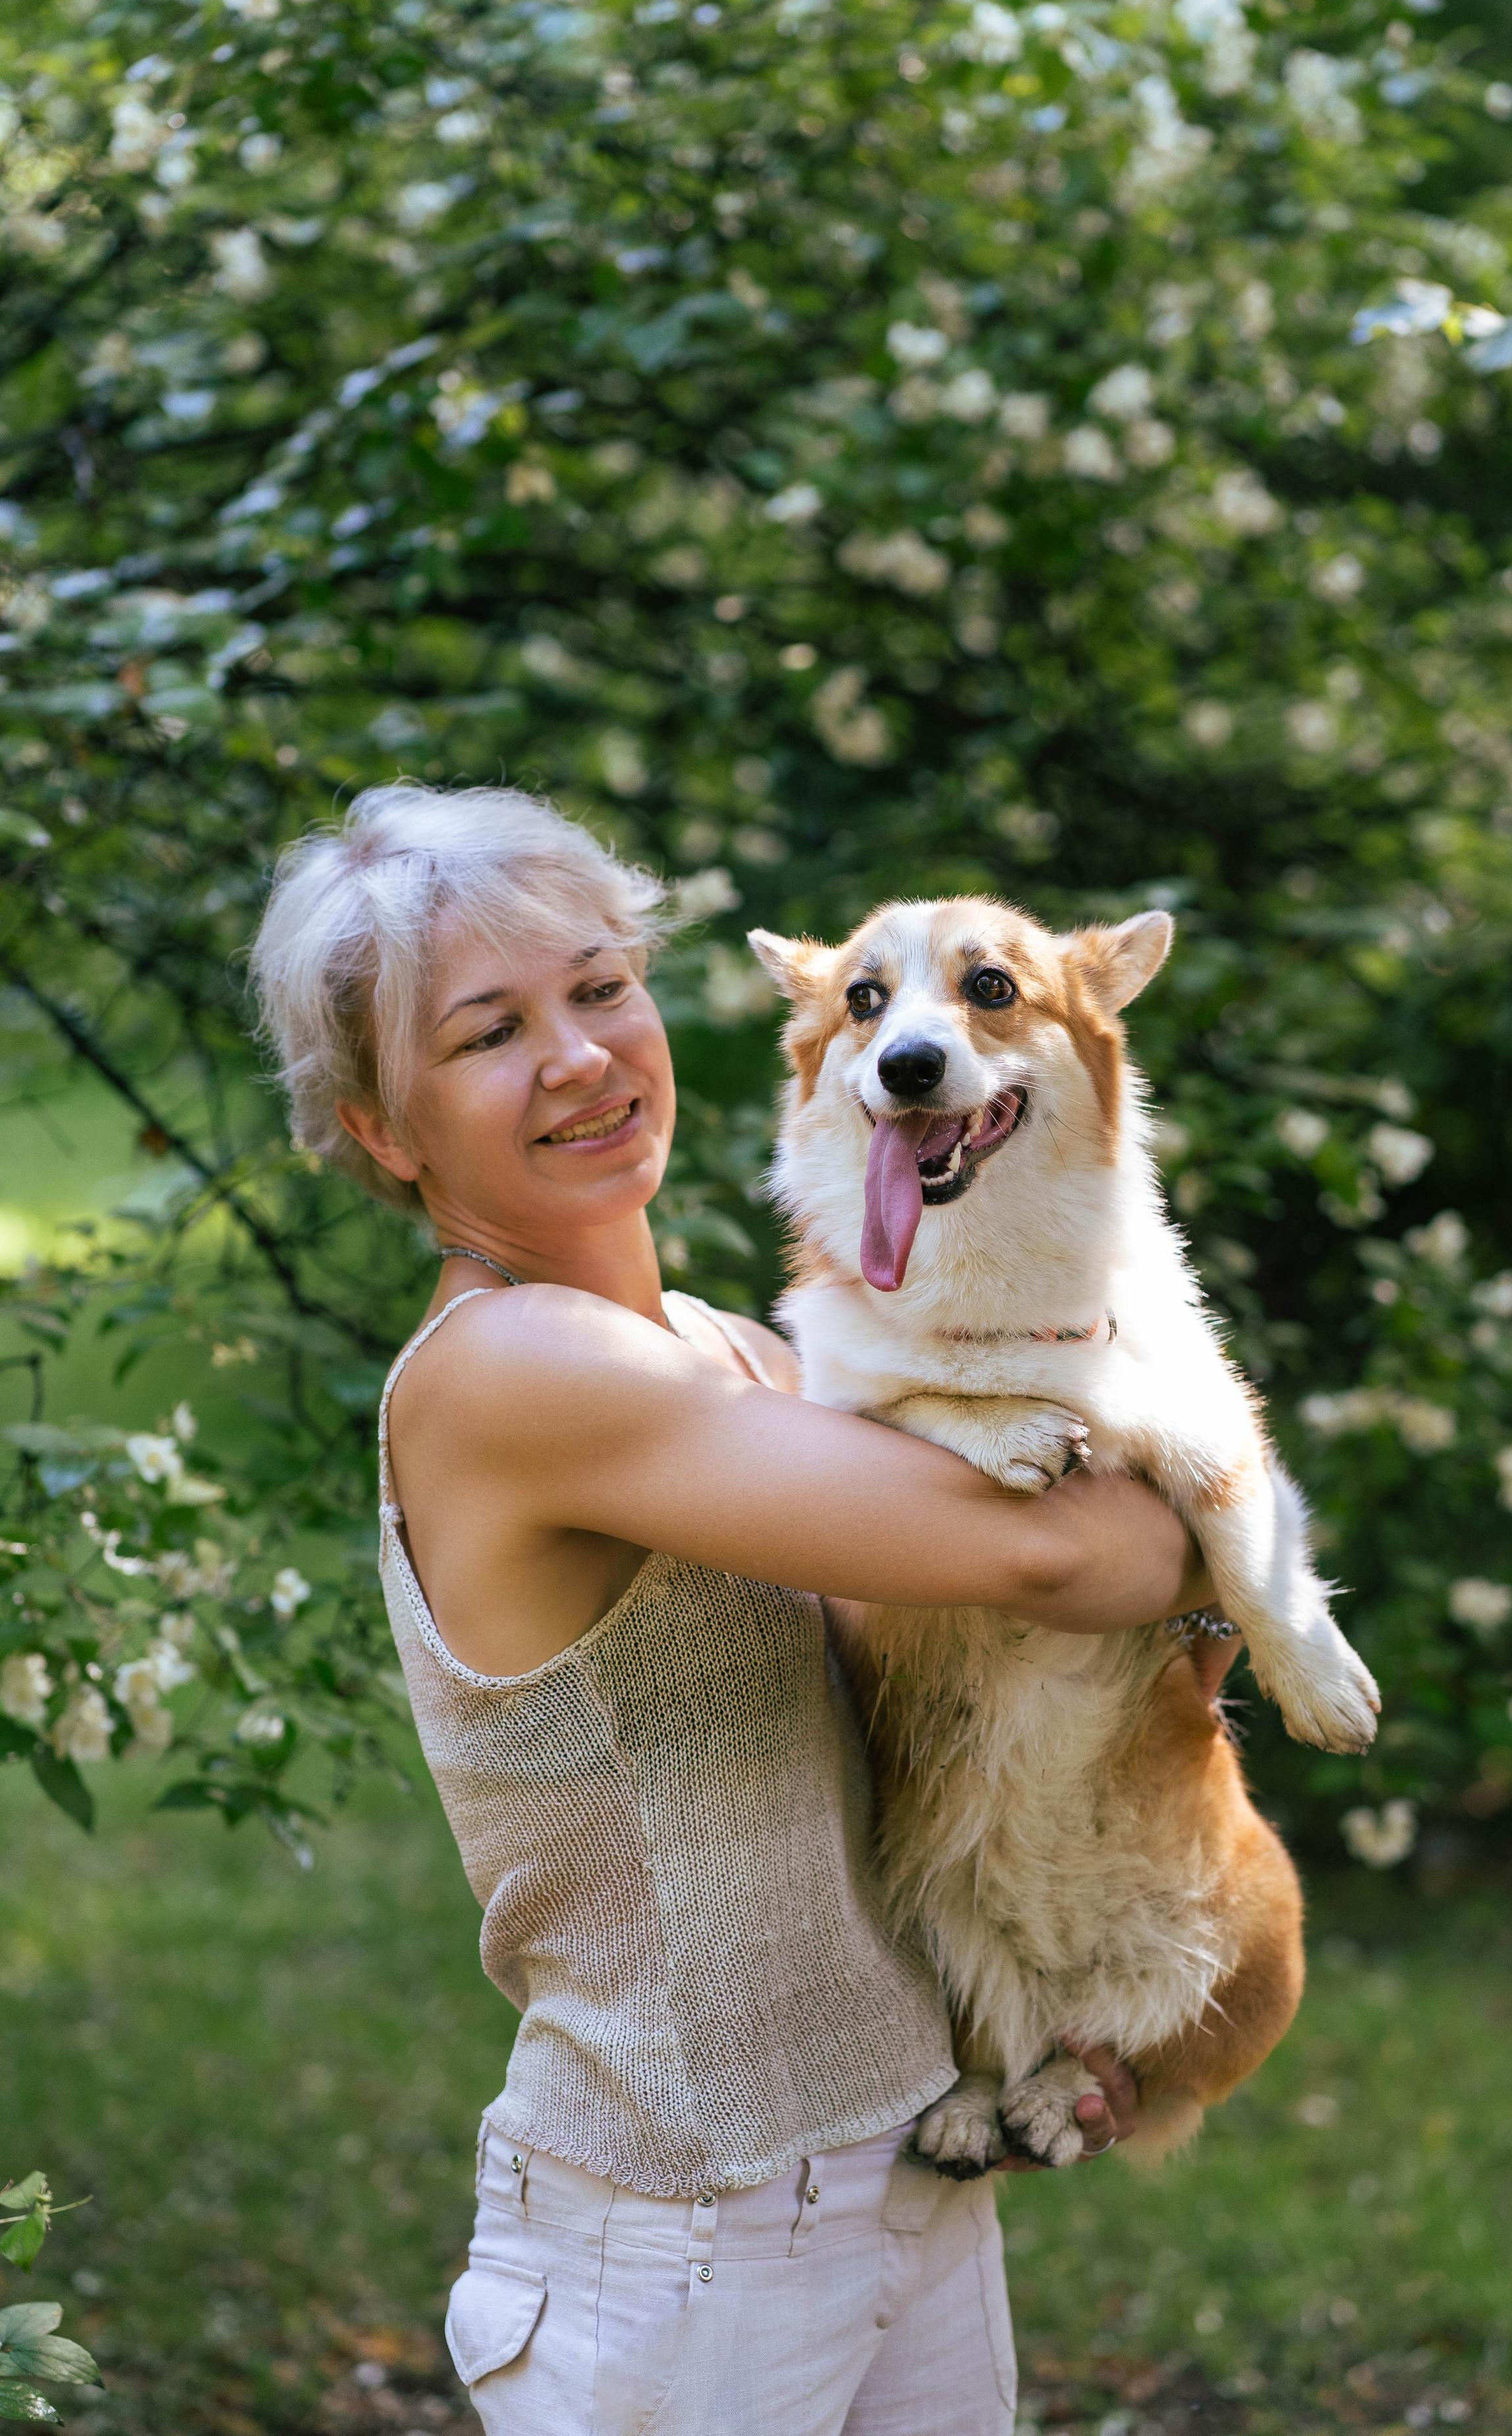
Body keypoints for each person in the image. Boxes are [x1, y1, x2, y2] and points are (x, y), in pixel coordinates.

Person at [251, 781, 1193, 2436]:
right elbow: (1069, 1558)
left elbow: (966, 1682)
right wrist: (1204, 1474)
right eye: (489, 1033)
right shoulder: (518, 1374)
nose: (579, 1057)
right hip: (680, 2238)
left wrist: (1047, 2014)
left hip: (905, 2164)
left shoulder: (731, 1349)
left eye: (600, 988)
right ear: (386, 1135)